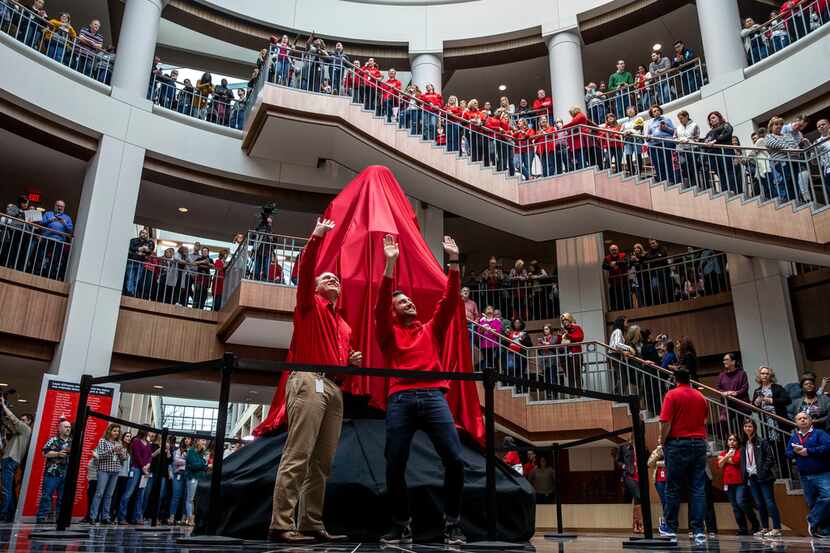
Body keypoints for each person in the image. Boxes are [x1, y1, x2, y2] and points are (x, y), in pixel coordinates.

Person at [269, 218, 361, 544]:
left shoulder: (345, 326)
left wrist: (347, 363)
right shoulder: (309, 305)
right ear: (317, 287)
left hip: (333, 387)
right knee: (299, 454)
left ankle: (310, 522)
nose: (333, 279)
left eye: (337, 278)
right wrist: (316, 237)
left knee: (322, 462)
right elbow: (306, 270)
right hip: (308, 380)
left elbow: (337, 361)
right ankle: (281, 524)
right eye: (327, 277)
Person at [375, 233, 467, 546]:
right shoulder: (388, 334)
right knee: (394, 463)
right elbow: (378, 308)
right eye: (402, 302)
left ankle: (452, 524)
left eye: (410, 300)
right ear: (393, 311)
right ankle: (402, 525)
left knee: (454, 460)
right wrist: (390, 264)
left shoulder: (431, 329)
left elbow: (449, 301)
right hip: (400, 399)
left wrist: (454, 262)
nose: (409, 302)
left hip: (433, 396)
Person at [659, 367, 708, 544]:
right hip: (699, 442)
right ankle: (698, 530)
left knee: (673, 487)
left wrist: (662, 441)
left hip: (677, 443)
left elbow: (665, 422)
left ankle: (670, 528)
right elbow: (704, 421)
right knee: (697, 488)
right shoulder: (700, 396)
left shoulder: (672, 395)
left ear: (675, 379)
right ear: (690, 379)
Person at [787, 412, 830, 538]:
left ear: (810, 421)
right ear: (796, 422)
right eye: (799, 419)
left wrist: (809, 451)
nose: (803, 420)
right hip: (805, 476)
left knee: (828, 497)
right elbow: (788, 453)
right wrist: (795, 452)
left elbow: (828, 447)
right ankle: (824, 530)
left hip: (822, 473)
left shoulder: (819, 433)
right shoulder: (794, 437)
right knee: (812, 503)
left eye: (805, 418)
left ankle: (812, 519)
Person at [741, 418, 784, 537]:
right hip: (752, 477)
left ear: (754, 428)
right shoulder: (744, 444)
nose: (748, 428)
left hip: (764, 477)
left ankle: (777, 528)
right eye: (746, 426)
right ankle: (765, 527)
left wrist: (763, 471)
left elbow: (770, 458)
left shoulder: (762, 441)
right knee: (759, 504)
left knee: (769, 501)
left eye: (750, 426)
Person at [718, 433, 760, 535]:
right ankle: (743, 528)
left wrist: (724, 458)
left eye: (734, 440)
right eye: (730, 440)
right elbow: (719, 465)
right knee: (735, 507)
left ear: (737, 442)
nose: (732, 442)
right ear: (727, 442)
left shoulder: (740, 451)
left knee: (741, 502)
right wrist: (727, 456)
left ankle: (755, 524)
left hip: (740, 482)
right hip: (728, 483)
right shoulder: (724, 453)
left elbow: (735, 461)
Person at [0, 396, 32, 521]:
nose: (20, 421)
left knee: (6, 489)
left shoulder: (26, 429)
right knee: (9, 489)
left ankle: (3, 513)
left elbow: (14, 420)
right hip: (9, 460)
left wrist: (4, 406)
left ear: (29, 421)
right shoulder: (19, 433)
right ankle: (10, 513)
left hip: (11, 461)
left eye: (23, 420)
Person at [89, 423, 126, 525]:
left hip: (115, 471)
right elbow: (99, 455)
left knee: (109, 495)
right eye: (114, 431)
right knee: (99, 493)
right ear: (110, 431)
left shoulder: (119, 442)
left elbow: (124, 459)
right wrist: (112, 450)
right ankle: (93, 516)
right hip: (104, 470)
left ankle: (105, 517)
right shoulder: (103, 441)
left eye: (118, 431)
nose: (116, 433)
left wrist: (121, 454)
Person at [36, 419, 72, 523]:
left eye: (69, 427)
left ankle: (60, 519)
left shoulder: (72, 442)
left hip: (67, 473)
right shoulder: (53, 440)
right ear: (59, 429)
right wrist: (58, 454)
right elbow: (44, 453)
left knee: (62, 498)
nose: (68, 429)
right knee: (47, 495)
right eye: (66, 427)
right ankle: (41, 517)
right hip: (53, 473)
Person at [117, 429, 152, 525]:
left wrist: (147, 465)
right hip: (136, 469)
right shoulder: (136, 441)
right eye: (149, 430)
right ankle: (121, 517)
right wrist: (143, 467)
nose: (150, 432)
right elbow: (136, 455)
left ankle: (137, 517)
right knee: (128, 492)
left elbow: (150, 456)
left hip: (145, 470)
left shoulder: (148, 443)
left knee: (141, 494)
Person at [703, 112, 739, 195]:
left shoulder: (726, 125)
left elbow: (728, 132)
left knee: (729, 172)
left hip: (726, 152)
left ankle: (732, 190)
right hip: (715, 156)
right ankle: (725, 191)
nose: (711, 120)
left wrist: (715, 141)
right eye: (710, 119)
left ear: (719, 117)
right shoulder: (711, 132)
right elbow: (705, 141)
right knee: (720, 174)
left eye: (713, 118)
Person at [36, 200, 73, 279]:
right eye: (58, 205)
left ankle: (50, 274)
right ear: (55, 206)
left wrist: (64, 223)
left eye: (61, 206)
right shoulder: (48, 214)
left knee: (55, 258)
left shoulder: (67, 217)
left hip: (59, 240)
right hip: (46, 237)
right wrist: (50, 220)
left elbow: (70, 230)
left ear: (64, 208)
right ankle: (37, 271)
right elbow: (40, 223)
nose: (59, 208)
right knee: (41, 255)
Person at [717, 352, 750, 435]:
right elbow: (718, 388)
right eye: (723, 360)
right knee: (723, 420)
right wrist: (725, 392)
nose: (724, 362)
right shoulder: (721, 375)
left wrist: (735, 393)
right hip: (727, 404)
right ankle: (730, 440)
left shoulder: (742, 373)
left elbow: (745, 388)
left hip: (740, 404)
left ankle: (743, 443)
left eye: (726, 360)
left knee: (742, 426)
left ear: (733, 362)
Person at [644, 105, 677, 185]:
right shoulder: (650, 123)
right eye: (654, 111)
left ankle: (671, 180)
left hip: (666, 142)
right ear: (652, 114)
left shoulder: (667, 120)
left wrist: (666, 128)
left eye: (657, 110)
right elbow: (647, 135)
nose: (656, 112)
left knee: (668, 162)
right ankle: (662, 179)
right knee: (658, 163)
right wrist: (648, 137)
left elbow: (674, 133)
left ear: (660, 111)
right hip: (654, 144)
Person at [617, 437, 643, 534]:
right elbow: (618, 460)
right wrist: (624, 467)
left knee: (638, 499)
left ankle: (636, 526)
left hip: (640, 476)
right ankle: (639, 524)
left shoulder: (642, 447)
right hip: (629, 475)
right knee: (637, 496)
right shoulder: (624, 446)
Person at [557, 313, 584, 393]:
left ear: (569, 320)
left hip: (575, 353)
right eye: (563, 321)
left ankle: (579, 392)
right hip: (565, 354)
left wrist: (569, 336)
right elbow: (559, 343)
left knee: (577, 374)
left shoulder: (576, 327)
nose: (564, 322)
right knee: (569, 375)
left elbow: (580, 337)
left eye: (566, 320)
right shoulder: (562, 330)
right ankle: (572, 393)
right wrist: (559, 336)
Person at [184, 439, 209, 527]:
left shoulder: (202, 453)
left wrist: (202, 465)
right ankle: (189, 518)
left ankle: (193, 518)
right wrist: (202, 465)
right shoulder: (191, 451)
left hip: (200, 478)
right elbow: (194, 465)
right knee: (190, 499)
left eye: (204, 441)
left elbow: (203, 465)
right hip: (192, 478)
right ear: (197, 441)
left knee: (196, 500)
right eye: (202, 440)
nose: (204, 442)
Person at [168, 436, 191, 525]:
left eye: (189, 439)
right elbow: (176, 461)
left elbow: (193, 462)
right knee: (175, 496)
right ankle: (172, 517)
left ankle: (183, 518)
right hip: (178, 474)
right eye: (186, 438)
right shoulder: (178, 450)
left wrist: (185, 460)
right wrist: (187, 461)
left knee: (187, 497)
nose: (187, 440)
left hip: (188, 475)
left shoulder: (192, 451)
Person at [125, 229, 155, 297]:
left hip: (140, 263)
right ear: (140, 233)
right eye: (143, 233)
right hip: (131, 262)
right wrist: (140, 249)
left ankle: (133, 292)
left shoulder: (148, 242)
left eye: (146, 233)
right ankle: (129, 293)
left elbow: (149, 252)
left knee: (137, 279)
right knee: (130, 278)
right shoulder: (133, 240)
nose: (144, 234)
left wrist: (144, 251)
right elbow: (131, 247)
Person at [648, 438, 668, 532]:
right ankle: (665, 522)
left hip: (670, 479)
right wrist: (657, 455)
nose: (660, 440)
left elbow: (673, 463)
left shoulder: (670, 449)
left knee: (669, 501)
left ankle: (667, 522)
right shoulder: (656, 451)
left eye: (661, 438)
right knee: (664, 501)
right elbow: (649, 463)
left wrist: (659, 463)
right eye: (659, 438)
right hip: (659, 480)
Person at [603, 244, 629, 311]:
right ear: (610, 251)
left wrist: (616, 262)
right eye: (612, 250)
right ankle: (616, 310)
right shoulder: (607, 258)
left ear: (618, 250)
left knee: (626, 297)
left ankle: (628, 309)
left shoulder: (623, 255)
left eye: (615, 250)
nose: (614, 251)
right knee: (614, 298)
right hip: (613, 282)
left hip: (624, 281)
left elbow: (626, 262)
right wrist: (610, 265)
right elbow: (604, 266)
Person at [477, 305, 503, 370]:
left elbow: (499, 331)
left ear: (493, 311)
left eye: (491, 309)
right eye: (487, 309)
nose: (489, 310)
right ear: (485, 311)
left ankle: (496, 374)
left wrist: (493, 330)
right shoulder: (482, 320)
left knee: (494, 360)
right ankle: (488, 376)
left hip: (494, 344)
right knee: (487, 360)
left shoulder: (497, 321)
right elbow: (479, 331)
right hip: (484, 344)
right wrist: (482, 329)